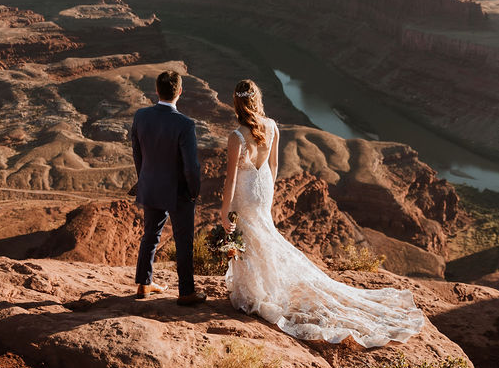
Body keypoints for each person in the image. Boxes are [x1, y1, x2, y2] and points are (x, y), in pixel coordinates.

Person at [219, 79, 424, 347]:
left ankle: (254, 291)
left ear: (237, 103)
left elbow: (231, 180)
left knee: (247, 235)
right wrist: (267, 193)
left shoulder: (236, 137)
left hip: (245, 191)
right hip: (264, 186)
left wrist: (225, 212)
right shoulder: (272, 127)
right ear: (257, 100)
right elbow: (275, 164)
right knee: (262, 234)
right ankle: (263, 287)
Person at [131, 70, 205, 306]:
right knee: (184, 240)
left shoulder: (141, 116)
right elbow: (191, 166)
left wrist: (144, 178)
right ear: (180, 92)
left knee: (150, 235)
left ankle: (144, 284)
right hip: (178, 191)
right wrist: (194, 191)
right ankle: (186, 292)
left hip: (151, 185)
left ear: (157, 90)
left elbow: (137, 153)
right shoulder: (185, 124)